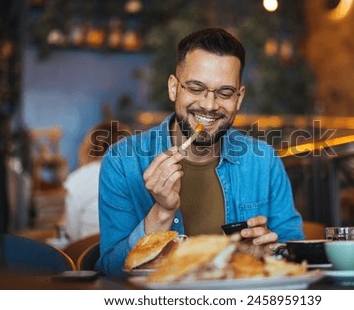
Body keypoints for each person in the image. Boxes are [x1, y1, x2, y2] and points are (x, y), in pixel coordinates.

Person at [98, 28, 305, 276]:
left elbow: (294, 253)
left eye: (225, 93)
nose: (209, 105)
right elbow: (111, 271)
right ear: (174, 88)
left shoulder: (264, 161)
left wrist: (270, 253)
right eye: (196, 88)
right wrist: (162, 212)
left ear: (238, 98)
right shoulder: (122, 161)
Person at [63, 121, 131, 242]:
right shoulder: (137, 176)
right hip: (131, 251)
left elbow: (73, 233)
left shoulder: (76, 179)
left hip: (88, 254)